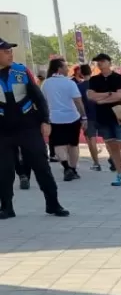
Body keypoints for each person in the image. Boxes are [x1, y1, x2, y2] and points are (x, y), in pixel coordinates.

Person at [0, 39, 68, 218]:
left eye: (10, 50)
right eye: (5, 51)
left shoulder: (21, 71)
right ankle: (6, 207)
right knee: (4, 171)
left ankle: (53, 204)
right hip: (3, 131)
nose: (10, 53)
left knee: (41, 166)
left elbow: (39, 98)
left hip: (28, 126)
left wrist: (45, 121)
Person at [88, 53, 121, 187]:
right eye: (97, 61)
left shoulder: (118, 78)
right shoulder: (94, 80)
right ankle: (120, 174)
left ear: (109, 62)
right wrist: (109, 94)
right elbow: (91, 96)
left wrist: (102, 99)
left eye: (102, 61)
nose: (100, 63)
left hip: (119, 117)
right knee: (112, 148)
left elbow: (120, 95)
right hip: (103, 118)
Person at [41, 58, 86, 182]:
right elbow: (78, 101)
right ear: (59, 68)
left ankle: (66, 167)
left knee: (58, 144)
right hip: (72, 117)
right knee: (73, 144)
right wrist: (84, 116)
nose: (67, 69)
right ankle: (73, 168)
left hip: (54, 118)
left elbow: (42, 102)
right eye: (65, 66)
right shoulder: (70, 83)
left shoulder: (46, 83)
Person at [75, 64, 103, 171]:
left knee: (91, 139)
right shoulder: (98, 84)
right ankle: (114, 160)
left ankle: (96, 163)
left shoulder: (79, 87)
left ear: (81, 73)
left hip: (87, 116)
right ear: (91, 72)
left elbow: (78, 102)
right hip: (100, 114)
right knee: (108, 139)